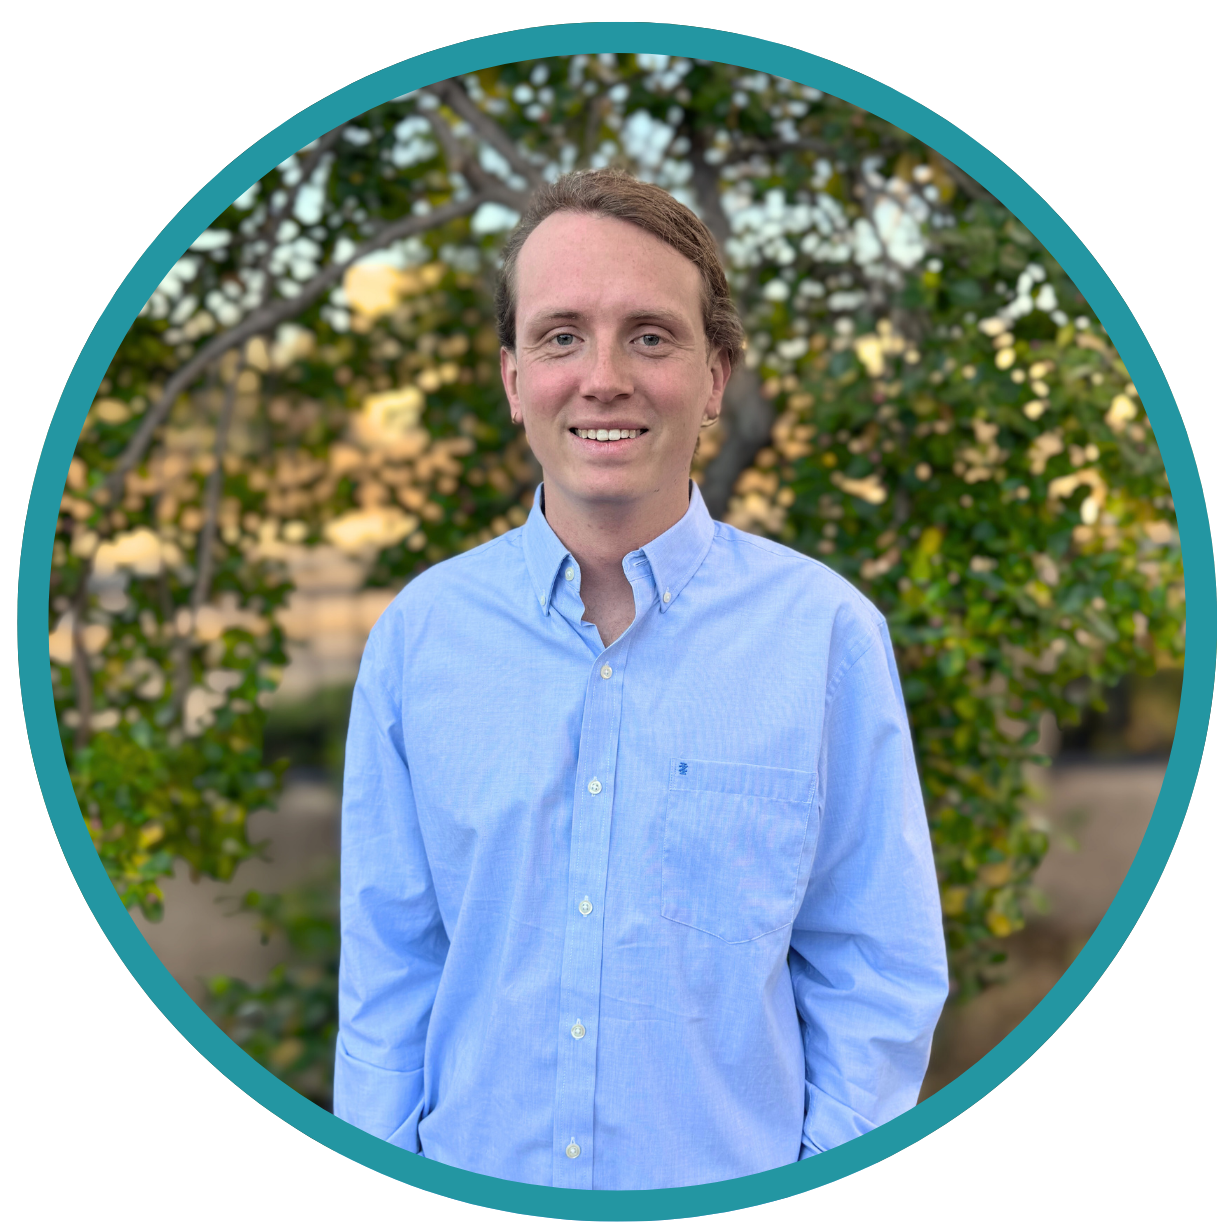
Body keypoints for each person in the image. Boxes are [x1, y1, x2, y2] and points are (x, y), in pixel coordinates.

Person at [334, 167, 948, 1191]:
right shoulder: (418, 641)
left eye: (649, 336)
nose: (602, 376)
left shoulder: (826, 637)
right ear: (512, 376)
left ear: (714, 377)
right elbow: (388, 979)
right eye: (560, 334)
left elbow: (874, 976)